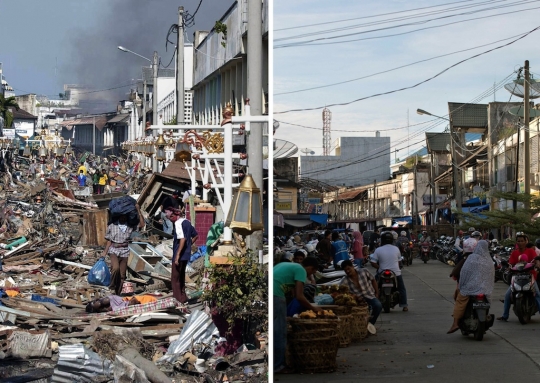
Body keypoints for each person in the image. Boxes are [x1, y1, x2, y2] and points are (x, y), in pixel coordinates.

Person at [274, 257, 322, 374]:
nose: (311, 275)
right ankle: (279, 366)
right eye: (313, 272)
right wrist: (313, 308)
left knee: (275, 328)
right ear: (310, 268)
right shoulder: (301, 270)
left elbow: (294, 294)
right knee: (280, 331)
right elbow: (300, 297)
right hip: (276, 294)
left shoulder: (288, 265)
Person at [447, 240, 495, 334]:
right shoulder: (488, 260)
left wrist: (462, 285)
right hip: (485, 289)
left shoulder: (472, 258)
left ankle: (455, 323)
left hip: (470, 288)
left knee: (460, 301)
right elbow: (491, 275)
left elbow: (464, 273)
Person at [102, 204, 145, 295]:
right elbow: (109, 241)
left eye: (125, 216)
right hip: (114, 250)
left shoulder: (130, 226)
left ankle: (117, 294)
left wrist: (138, 210)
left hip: (125, 251)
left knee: (122, 276)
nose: (123, 218)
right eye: (121, 216)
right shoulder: (112, 226)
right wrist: (105, 252)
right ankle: (112, 286)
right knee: (115, 268)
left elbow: (142, 225)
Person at [497, 233, 538, 321]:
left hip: (530, 276)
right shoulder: (514, 252)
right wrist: (509, 268)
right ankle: (505, 316)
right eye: (518, 241)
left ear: (525, 242)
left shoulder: (531, 251)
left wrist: (537, 265)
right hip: (517, 277)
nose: (520, 243)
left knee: (537, 294)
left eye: (522, 241)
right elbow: (511, 264)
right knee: (508, 295)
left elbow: (536, 260)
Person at [370, 231, 408, 311]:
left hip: (382, 272)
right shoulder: (396, 249)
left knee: (373, 287)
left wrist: (379, 267)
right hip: (396, 273)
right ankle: (404, 305)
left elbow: (373, 262)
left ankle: (372, 304)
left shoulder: (378, 249)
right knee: (401, 288)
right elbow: (399, 262)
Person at [339, 259, 382, 324]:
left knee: (378, 305)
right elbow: (341, 292)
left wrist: (376, 293)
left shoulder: (364, 271)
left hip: (370, 295)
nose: (348, 271)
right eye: (345, 270)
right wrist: (353, 296)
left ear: (352, 266)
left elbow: (373, 280)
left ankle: (371, 324)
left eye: (348, 268)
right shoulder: (345, 280)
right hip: (358, 299)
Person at [171, 209, 198, 303]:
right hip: (186, 254)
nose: (171, 219)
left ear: (175, 216)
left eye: (171, 216)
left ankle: (177, 300)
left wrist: (177, 255)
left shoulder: (178, 223)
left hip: (179, 254)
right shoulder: (187, 222)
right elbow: (195, 236)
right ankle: (183, 297)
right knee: (181, 277)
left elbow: (182, 238)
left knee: (175, 278)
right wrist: (189, 245)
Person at [85, 294, 157, 313]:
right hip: (123, 304)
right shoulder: (105, 305)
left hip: (123, 302)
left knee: (138, 299)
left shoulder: (107, 300)